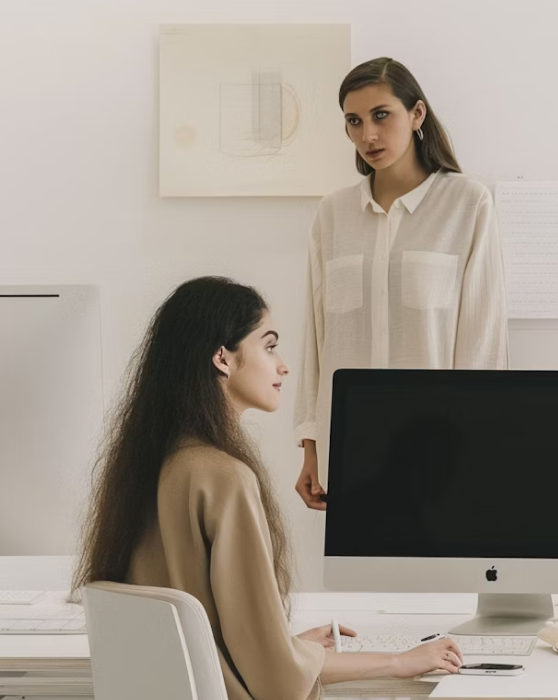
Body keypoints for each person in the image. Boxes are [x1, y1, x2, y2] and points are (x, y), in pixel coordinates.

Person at [72, 277, 463, 700]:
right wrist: (400, 660)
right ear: (222, 357)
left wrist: (289, 645)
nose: (284, 365)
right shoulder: (224, 478)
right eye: (270, 345)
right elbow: (276, 680)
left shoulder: (145, 466)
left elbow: (214, 641)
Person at [294, 57, 508, 510]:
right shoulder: (332, 214)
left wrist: (481, 446)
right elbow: (316, 337)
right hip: (348, 445)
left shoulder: (467, 204)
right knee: (356, 578)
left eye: (381, 115)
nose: (367, 134)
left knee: (437, 579)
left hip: (441, 446)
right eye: (354, 121)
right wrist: (311, 445)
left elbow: (482, 338)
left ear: (417, 115)